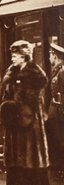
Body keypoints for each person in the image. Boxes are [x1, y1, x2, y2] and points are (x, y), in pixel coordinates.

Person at [0, 40, 49, 185]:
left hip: (29, 124)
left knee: (31, 160)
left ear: (24, 56)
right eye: (12, 55)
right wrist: (7, 111)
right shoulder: (11, 72)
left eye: (15, 55)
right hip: (14, 124)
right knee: (16, 163)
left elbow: (29, 104)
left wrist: (12, 108)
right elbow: (5, 95)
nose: (12, 58)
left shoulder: (35, 75)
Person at [46, 43, 64, 181]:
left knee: (61, 140)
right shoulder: (56, 70)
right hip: (55, 109)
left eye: (51, 55)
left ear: (55, 56)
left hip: (59, 110)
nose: (49, 57)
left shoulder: (62, 71)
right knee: (57, 140)